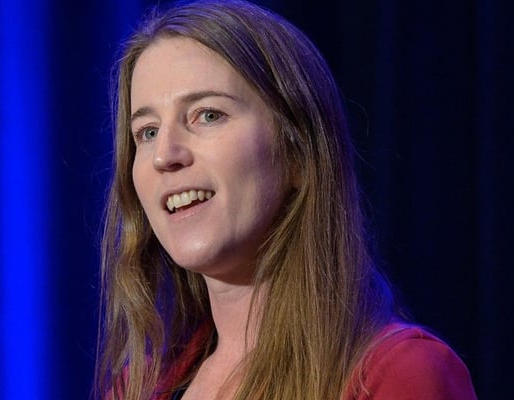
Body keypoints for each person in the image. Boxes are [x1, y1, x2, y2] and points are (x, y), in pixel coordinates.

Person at [95, 1, 477, 399]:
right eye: (147, 131)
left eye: (207, 115)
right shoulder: (140, 387)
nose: (164, 155)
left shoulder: (399, 374)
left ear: (298, 153)